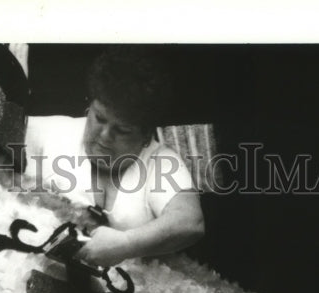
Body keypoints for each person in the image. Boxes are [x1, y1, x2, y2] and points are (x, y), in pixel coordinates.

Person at [23, 47, 205, 268]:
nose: (105, 136)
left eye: (122, 130)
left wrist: (126, 243)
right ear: (89, 106)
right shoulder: (51, 132)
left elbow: (189, 222)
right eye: (99, 118)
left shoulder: (162, 162)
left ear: (146, 134)